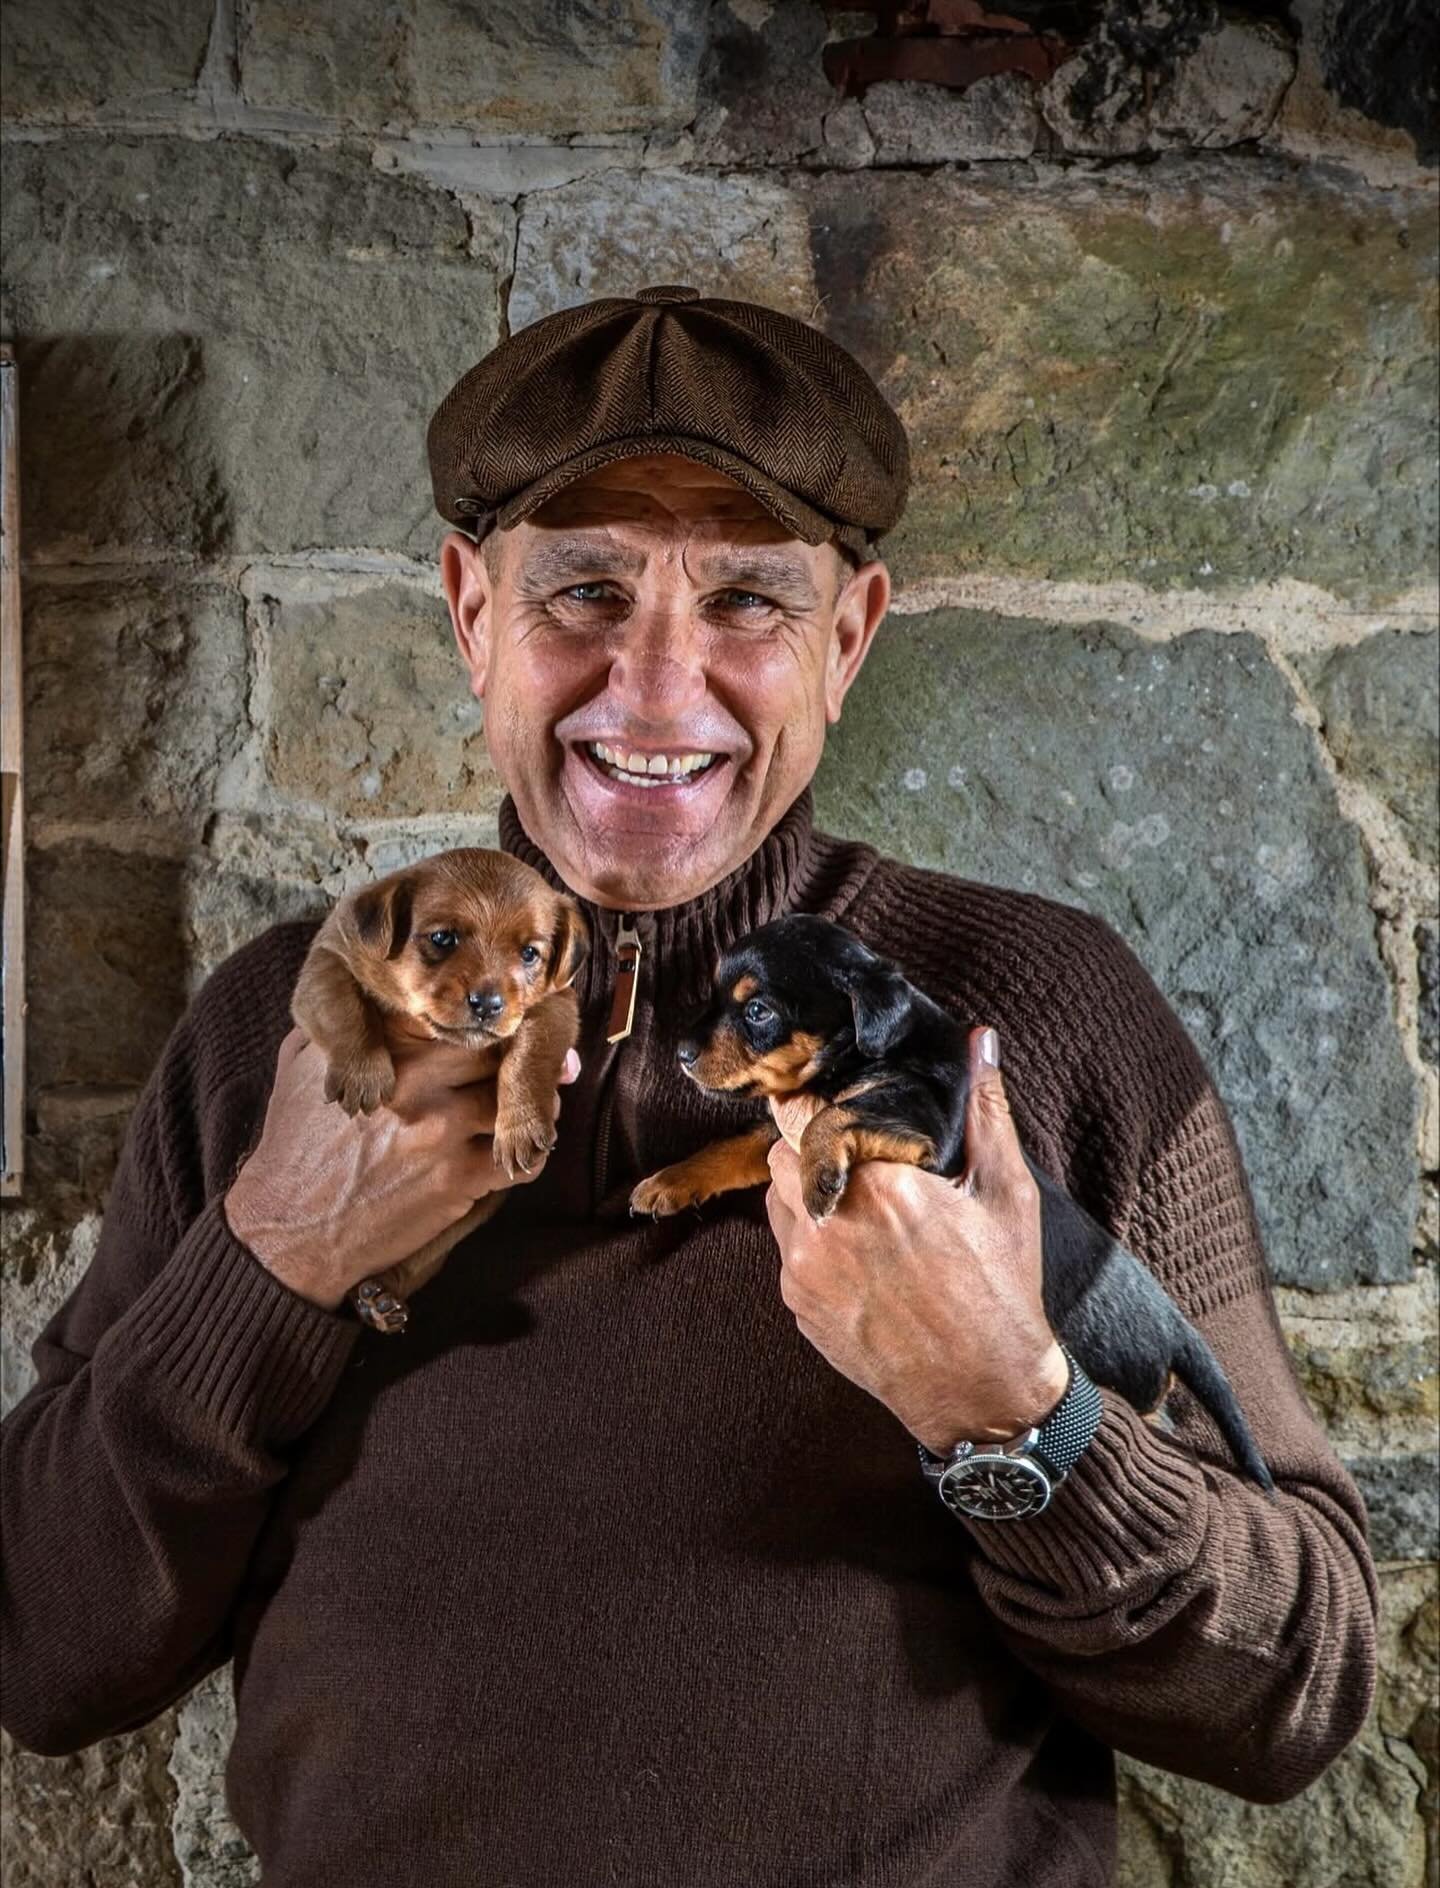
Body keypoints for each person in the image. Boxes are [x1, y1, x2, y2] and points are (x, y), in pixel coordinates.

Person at [1, 286, 1376, 1887]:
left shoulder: (1036, 1016)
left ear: (847, 640)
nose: (656, 688)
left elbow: (1299, 1691)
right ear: (471, 613)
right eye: (585, 590)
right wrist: (274, 1262)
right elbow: (44, 1653)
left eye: (747, 600)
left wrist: (1015, 1414)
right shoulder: (286, 1030)